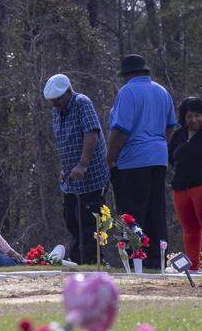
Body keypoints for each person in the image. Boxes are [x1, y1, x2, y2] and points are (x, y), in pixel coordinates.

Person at [105, 54, 177, 270]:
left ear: (127, 74)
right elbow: (171, 125)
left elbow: (121, 129)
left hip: (133, 161)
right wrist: (159, 144)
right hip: (158, 158)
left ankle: (135, 259)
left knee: (132, 213)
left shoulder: (128, 92)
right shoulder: (161, 91)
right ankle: (158, 259)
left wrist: (110, 158)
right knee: (156, 209)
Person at [44, 73, 109, 265]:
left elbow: (91, 133)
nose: (54, 104)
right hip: (71, 178)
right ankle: (79, 258)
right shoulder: (57, 111)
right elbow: (64, 141)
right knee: (71, 218)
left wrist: (83, 164)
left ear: (67, 93)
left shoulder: (81, 102)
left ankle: (92, 260)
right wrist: (65, 168)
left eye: (57, 99)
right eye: (51, 101)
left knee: (89, 220)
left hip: (91, 176)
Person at [167, 97, 202, 273]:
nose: (193, 120)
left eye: (197, 115)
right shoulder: (178, 134)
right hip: (181, 188)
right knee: (189, 229)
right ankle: (192, 266)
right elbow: (171, 157)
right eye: (189, 116)